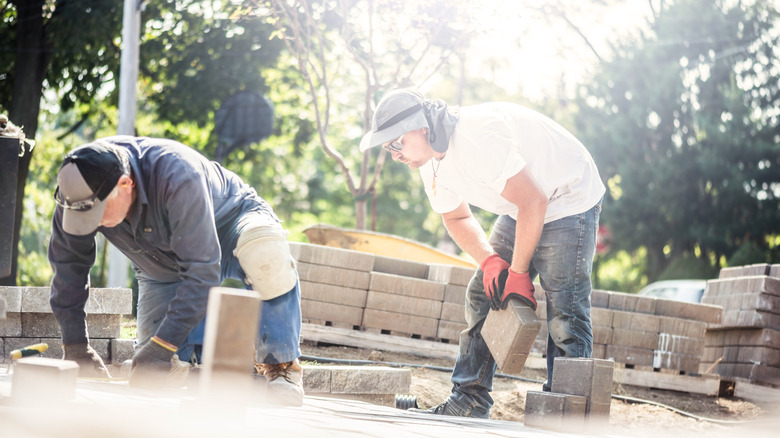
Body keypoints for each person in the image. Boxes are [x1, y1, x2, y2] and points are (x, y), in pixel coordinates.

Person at [359, 89, 605, 418]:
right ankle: (469, 400)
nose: (393, 154)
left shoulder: (477, 137)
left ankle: (570, 417)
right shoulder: (430, 161)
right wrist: (491, 262)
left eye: (395, 144)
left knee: (566, 309)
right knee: (484, 292)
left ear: (422, 128)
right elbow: (456, 217)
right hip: (525, 202)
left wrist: (518, 274)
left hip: (568, 194)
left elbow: (535, 202)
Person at [48, 136, 304, 405]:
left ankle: (282, 366)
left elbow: (202, 274)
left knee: (265, 254)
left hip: (231, 222)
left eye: (98, 211)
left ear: (125, 184)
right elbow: (68, 270)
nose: (94, 221)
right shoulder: (78, 189)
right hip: (162, 263)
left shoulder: (177, 175)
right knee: (155, 373)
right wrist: (76, 346)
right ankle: (182, 361)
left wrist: (159, 349)